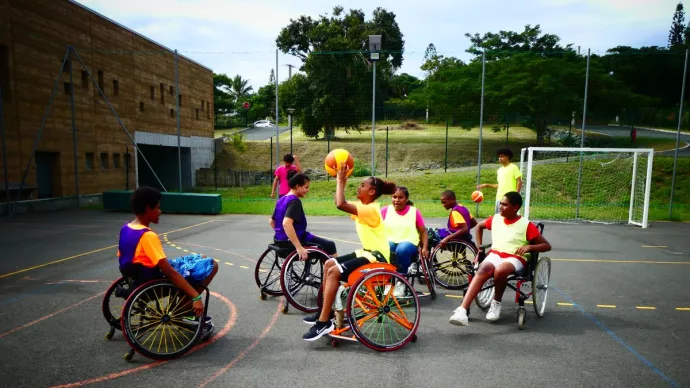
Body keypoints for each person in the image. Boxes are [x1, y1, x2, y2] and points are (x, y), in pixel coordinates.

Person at [302, 164, 397, 341]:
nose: (359, 187)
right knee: (329, 263)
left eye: (362, 185)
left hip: (377, 257)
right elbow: (338, 201)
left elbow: (340, 204)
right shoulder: (363, 206)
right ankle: (325, 313)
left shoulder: (370, 210)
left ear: (372, 191)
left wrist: (340, 181)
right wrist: (341, 184)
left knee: (333, 272)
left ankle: (324, 323)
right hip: (368, 253)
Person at [117, 186, 219, 334]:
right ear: (147, 208)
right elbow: (170, 273)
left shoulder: (126, 228)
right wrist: (195, 297)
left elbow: (123, 258)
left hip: (137, 277)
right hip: (155, 280)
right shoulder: (147, 236)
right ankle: (182, 313)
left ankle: (183, 308)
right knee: (212, 265)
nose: (160, 212)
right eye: (157, 208)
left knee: (202, 258)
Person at [448, 191, 551, 326]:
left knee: (501, 270)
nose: (500, 207)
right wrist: (479, 248)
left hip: (515, 257)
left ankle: (496, 303)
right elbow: (479, 226)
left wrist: (530, 248)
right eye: (500, 204)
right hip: (496, 254)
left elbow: (546, 245)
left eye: (504, 205)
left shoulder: (526, 225)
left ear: (516, 207)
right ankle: (462, 310)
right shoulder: (496, 219)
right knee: (483, 268)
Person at [270, 171, 338, 258]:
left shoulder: (281, 200)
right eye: (306, 187)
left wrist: (282, 234)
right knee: (329, 245)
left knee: (319, 242)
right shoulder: (294, 202)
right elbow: (286, 223)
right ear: (298, 186)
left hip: (278, 241)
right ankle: (335, 270)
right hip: (293, 241)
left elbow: (272, 222)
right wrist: (299, 247)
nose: (307, 190)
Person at [381, 186, 429, 297]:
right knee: (387, 247)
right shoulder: (385, 210)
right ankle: (388, 282)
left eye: (400, 197)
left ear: (406, 199)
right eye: (394, 197)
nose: (396, 200)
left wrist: (425, 247)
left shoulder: (414, 212)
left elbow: (423, 231)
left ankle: (400, 282)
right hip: (391, 241)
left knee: (401, 249)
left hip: (409, 242)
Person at [477, 147, 522, 214]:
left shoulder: (513, 167)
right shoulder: (499, 170)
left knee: (508, 219)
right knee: (498, 219)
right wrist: (487, 185)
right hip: (499, 198)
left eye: (502, 156)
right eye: (499, 157)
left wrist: (516, 195)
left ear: (508, 156)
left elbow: (519, 182)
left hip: (510, 199)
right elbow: (499, 185)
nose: (500, 158)